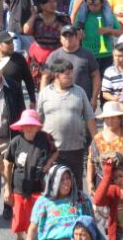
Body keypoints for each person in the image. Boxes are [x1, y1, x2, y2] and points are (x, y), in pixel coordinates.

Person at [37, 60, 96, 189]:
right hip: (51, 150)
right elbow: (38, 120)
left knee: (75, 184)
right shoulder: (45, 93)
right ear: (56, 75)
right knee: (53, 185)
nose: (71, 77)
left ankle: (75, 208)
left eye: (71, 73)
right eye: (66, 74)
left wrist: (96, 140)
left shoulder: (79, 92)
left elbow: (89, 117)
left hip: (75, 149)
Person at [4, 110, 58, 237]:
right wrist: (7, 189)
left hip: (40, 188)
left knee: (37, 223)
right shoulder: (16, 141)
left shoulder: (45, 138)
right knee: (20, 224)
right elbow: (7, 164)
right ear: (21, 127)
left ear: (37, 126)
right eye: (25, 125)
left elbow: (56, 152)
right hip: (19, 188)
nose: (28, 128)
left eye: (31, 124)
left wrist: (49, 162)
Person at [27, 165, 91, 240]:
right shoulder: (43, 202)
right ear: (53, 182)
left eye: (67, 178)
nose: (66, 182)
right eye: (61, 180)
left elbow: (91, 226)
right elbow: (32, 230)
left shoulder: (81, 198)